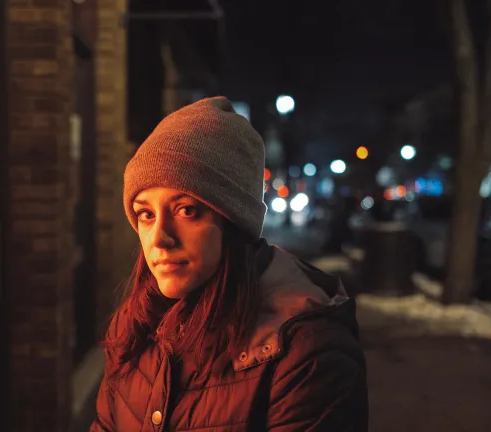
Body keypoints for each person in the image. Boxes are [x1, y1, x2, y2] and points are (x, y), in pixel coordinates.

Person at [91, 97, 368, 431]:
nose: (159, 237)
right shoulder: (134, 324)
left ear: (234, 221)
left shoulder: (306, 354)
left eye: (187, 210)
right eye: (146, 214)